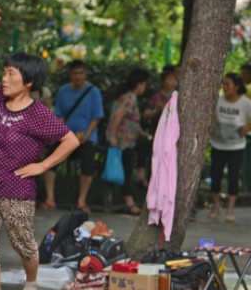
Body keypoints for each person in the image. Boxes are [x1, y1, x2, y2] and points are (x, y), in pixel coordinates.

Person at [0, 8, 79, 290]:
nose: (3, 78)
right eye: (3, 72)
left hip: (17, 189)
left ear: (28, 82)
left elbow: (71, 140)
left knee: (24, 243)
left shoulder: (39, 115)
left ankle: (31, 283)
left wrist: (43, 166)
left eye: (10, 74)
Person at [41, 59, 104, 212]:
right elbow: (60, 115)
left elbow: (97, 117)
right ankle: (50, 199)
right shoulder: (63, 91)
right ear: (70, 75)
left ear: (85, 74)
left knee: (88, 165)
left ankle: (81, 201)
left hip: (87, 137)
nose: (78, 77)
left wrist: (86, 135)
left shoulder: (93, 91)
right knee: (49, 161)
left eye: (81, 73)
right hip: (65, 136)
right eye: (75, 73)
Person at [208, 73, 251, 223]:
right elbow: (211, 119)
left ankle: (230, 209)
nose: (224, 87)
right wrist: (212, 128)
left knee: (233, 177)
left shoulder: (245, 103)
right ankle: (215, 205)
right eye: (223, 85)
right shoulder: (218, 101)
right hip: (218, 145)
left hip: (236, 147)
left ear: (237, 87)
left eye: (228, 84)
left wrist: (246, 128)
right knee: (215, 176)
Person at [107, 69, 150, 215]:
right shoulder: (130, 97)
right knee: (126, 169)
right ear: (140, 84)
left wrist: (141, 132)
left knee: (144, 143)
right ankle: (129, 202)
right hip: (121, 141)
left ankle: (141, 175)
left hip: (128, 140)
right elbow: (118, 116)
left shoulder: (128, 96)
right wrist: (112, 136)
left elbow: (132, 120)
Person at [139, 65, 179, 186]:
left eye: (174, 80)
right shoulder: (157, 97)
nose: (172, 83)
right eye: (169, 80)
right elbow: (146, 114)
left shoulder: (178, 96)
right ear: (163, 82)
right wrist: (157, 112)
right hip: (158, 136)